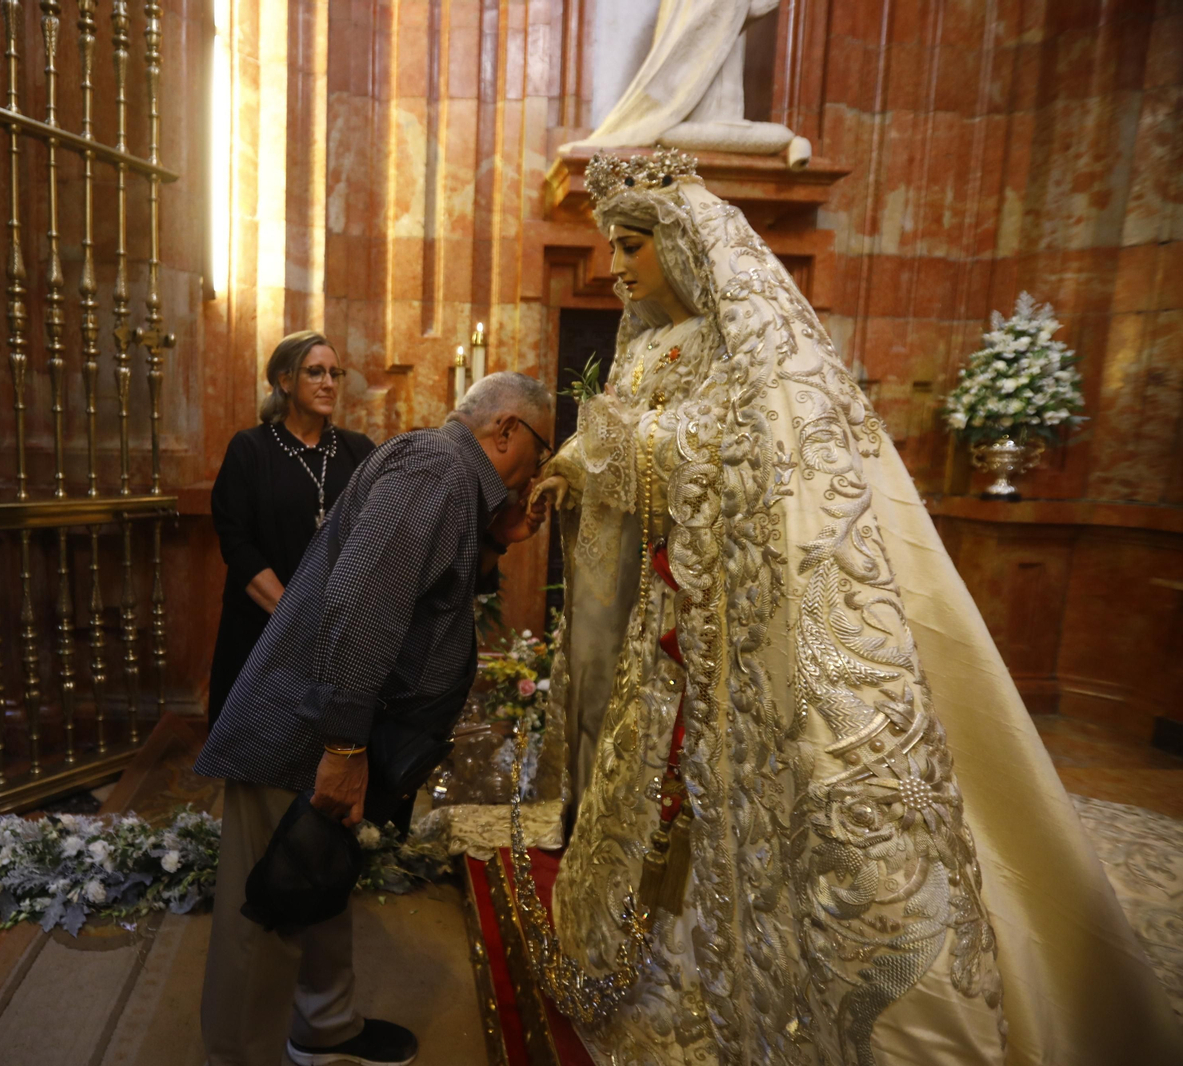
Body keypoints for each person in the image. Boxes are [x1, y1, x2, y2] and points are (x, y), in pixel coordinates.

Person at [522, 150, 1183, 1064]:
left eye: (633, 245)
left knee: (755, 816)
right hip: (665, 623)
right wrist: (577, 464)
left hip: (742, 637)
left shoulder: (745, 343)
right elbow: (630, 444)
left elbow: (748, 449)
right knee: (652, 794)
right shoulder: (642, 349)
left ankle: (728, 987)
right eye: (611, 248)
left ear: (683, 244)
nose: (616, 267)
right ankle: (648, 952)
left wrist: (620, 449)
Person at [195, 371, 555, 1066]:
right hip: (303, 728)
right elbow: (363, 604)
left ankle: (324, 1026)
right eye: (539, 451)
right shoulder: (438, 468)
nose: (536, 470)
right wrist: (343, 746)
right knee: (266, 905)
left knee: (316, 874)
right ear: (507, 429)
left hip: (331, 724)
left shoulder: (454, 481)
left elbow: (430, 595)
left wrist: (499, 537)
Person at [208, 331, 375, 725]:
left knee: (328, 747)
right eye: (315, 372)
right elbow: (237, 545)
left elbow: (374, 538)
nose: (329, 383)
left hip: (338, 637)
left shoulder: (358, 450)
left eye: (335, 373)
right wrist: (295, 619)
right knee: (257, 748)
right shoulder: (250, 449)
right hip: (262, 632)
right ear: (285, 380)